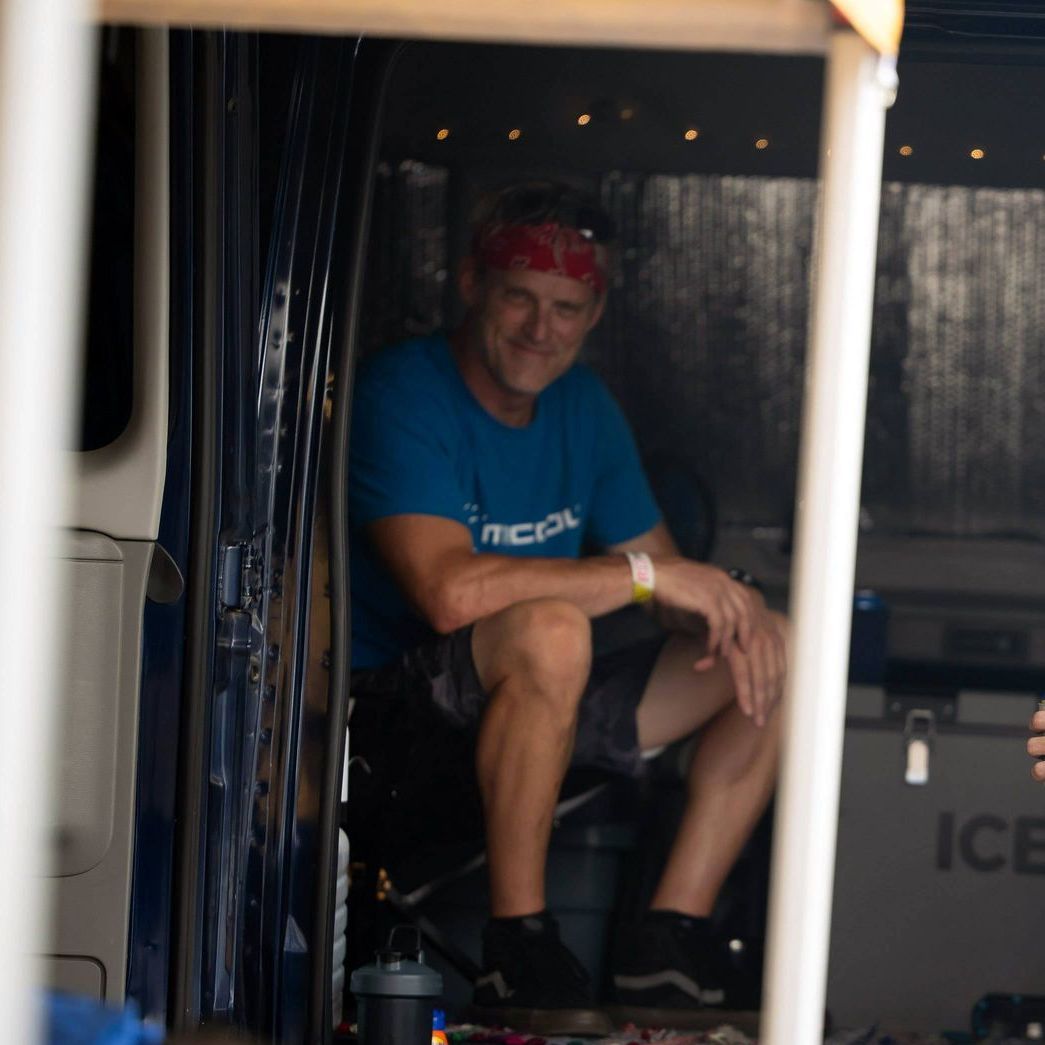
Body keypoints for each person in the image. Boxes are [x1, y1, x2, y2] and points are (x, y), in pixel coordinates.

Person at [348, 181, 787, 1036]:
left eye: (566, 307)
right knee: (551, 627)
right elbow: (448, 594)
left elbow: (665, 584)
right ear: (471, 283)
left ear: (595, 312)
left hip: (533, 704)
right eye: (519, 297)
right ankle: (519, 943)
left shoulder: (582, 405)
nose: (539, 329)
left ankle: (668, 938)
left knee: (774, 641)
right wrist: (650, 577)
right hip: (391, 732)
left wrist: (720, 600)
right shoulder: (402, 390)